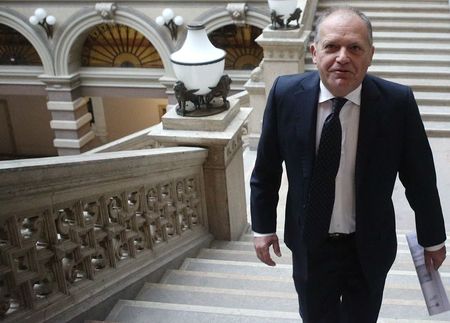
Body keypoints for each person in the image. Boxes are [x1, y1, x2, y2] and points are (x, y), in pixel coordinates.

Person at [250, 6, 446, 323]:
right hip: (310, 245)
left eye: (354, 48)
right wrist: (263, 227)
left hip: (369, 246)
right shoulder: (285, 95)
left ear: (370, 55)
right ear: (314, 52)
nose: (343, 57)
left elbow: (420, 179)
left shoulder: (397, 104)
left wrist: (433, 239)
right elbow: (266, 170)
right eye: (332, 47)